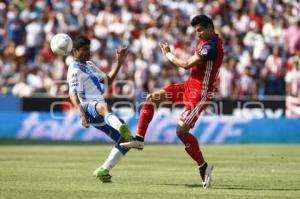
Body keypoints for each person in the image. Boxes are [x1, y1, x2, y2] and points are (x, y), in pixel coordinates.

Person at [121, 15, 224, 188]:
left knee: (181, 130)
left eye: (199, 30)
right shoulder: (208, 39)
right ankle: (139, 138)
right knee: (151, 98)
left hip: (200, 94)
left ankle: (203, 167)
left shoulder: (211, 47)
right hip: (188, 87)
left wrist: (168, 54)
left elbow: (185, 64)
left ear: (209, 28)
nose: (197, 34)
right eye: (196, 31)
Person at [67, 36, 133, 183]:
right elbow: (72, 92)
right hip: (88, 107)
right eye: (84, 50)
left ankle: (103, 170)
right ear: (75, 51)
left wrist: (119, 63)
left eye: (88, 50)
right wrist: (82, 114)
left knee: (126, 142)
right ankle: (120, 126)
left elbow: (108, 80)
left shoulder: (89, 64)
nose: (87, 53)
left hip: (99, 109)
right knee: (103, 107)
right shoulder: (74, 69)